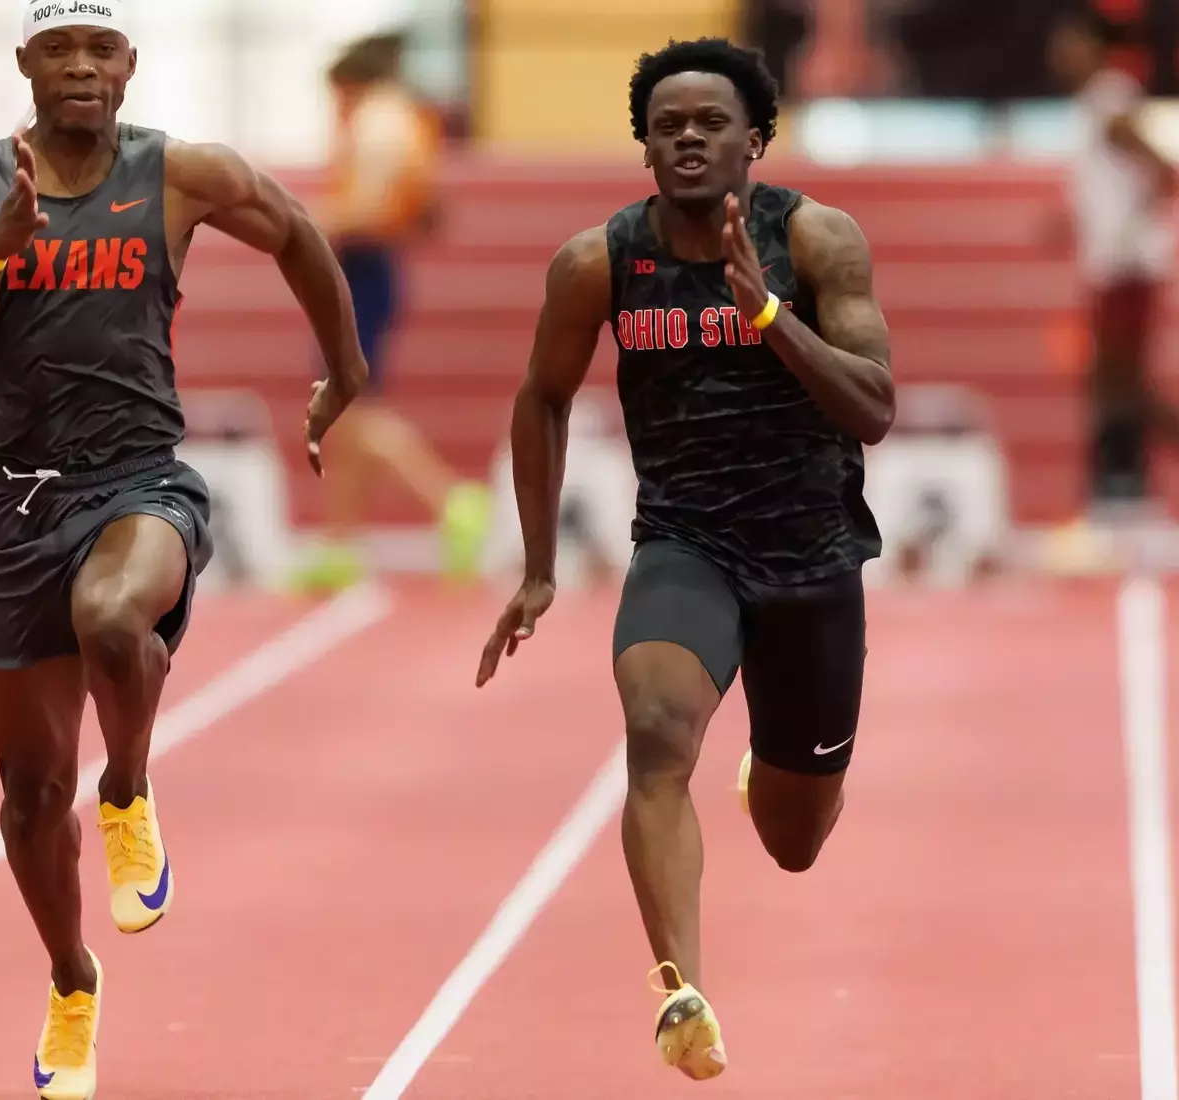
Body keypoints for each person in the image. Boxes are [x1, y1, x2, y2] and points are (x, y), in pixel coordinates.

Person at [0, 4, 367, 1097]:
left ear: (127, 66)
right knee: (27, 794)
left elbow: (298, 226)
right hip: (15, 507)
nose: (80, 67)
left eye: (99, 49)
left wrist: (345, 368)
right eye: (57, 49)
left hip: (140, 482)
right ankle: (72, 979)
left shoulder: (178, 173)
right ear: (24, 65)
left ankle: (127, 788)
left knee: (115, 618)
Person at [474, 37, 893, 1081]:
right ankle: (682, 988)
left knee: (796, 838)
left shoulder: (818, 240)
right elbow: (542, 396)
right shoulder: (600, 261)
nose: (690, 139)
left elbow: (874, 407)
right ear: (646, 148)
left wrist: (769, 317)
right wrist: (536, 566)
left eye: (711, 124)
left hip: (810, 552)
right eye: (669, 127)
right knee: (656, 733)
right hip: (684, 542)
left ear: (755, 140)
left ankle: (775, 771)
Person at [292, 31, 492, 593]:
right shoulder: (406, 119)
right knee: (342, 410)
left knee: (353, 412)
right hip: (372, 267)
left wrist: (307, 221)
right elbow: (426, 210)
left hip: (363, 267)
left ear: (350, 85)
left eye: (336, 97)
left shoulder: (380, 121)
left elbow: (371, 207)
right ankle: (340, 541)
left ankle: (452, 499)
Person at [1048, 6, 1179, 527]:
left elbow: (1169, 174)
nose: (1058, 55)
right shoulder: (1094, 105)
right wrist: (1075, 224)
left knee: (1120, 385)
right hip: (1113, 266)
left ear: (1093, 47)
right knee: (1111, 385)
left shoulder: (1111, 100)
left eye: (1069, 43)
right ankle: (1124, 489)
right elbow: (1112, 186)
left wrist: (1132, 228)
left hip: (1127, 268)